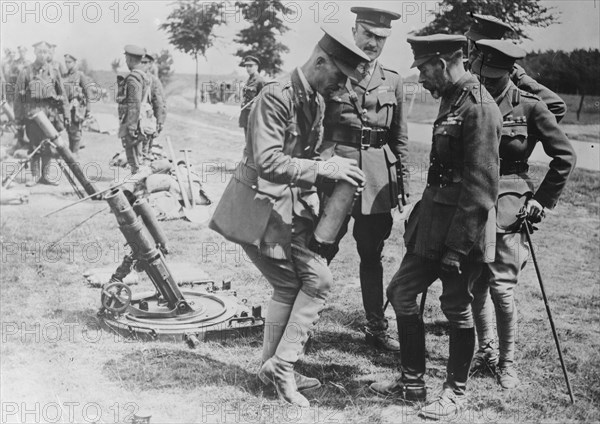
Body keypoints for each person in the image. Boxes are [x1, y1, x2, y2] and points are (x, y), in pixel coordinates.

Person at [209, 28, 369, 407]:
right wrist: (324, 170)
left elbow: (304, 157)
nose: (342, 86)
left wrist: (334, 177)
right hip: (257, 210)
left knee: (289, 286)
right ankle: (283, 367)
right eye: (339, 76)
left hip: (284, 210)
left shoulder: (312, 97)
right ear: (319, 62)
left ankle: (273, 366)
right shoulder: (275, 96)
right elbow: (267, 162)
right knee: (319, 279)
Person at [370, 34, 502, 420]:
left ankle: (454, 392)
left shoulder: (479, 108)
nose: (421, 79)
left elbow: (480, 191)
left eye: (425, 70)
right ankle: (412, 381)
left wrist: (457, 249)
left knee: (457, 308)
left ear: (443, 64)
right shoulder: (453, 96)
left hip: (463, 232)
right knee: (401, 290)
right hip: (433, 224)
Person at [464, 12, 569, 373]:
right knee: (473, 285)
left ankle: (507, 363)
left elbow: (564, 156)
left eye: (496, 77)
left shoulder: (530, 105)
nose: (488, 83)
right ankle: (487, 351)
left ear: (509, 70)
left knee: (502, 287)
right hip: (471, 201)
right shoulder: (470, 96)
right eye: (483, 75)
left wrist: (541, 199)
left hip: (510, 204)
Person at [320, 6, 408, 351]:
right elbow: (317, 126)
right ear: (355, 30)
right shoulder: (333, 72)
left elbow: (399, 138)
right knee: (322, 249)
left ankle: (375, 327)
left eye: (381, 38)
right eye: (369, 34)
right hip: (337, 175)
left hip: (376, 181)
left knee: (372, 254)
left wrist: (402, 186)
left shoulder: (394, 80)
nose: (374, 43)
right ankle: (302, 323)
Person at [465, 13, 567, 122]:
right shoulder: (462, 68)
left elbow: (557, 106)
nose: (472, 50)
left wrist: (518, 131)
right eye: (471, 43)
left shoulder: (512, 74)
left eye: (479, 46)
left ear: (493, 48)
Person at [14, 41, 69, 186]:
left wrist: (66, 115)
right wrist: (18, 118)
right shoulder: (26, 72)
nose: (43, 55)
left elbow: (62, 94)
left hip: (50, 114)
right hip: (32, 114)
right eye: (40, 52)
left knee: (49, 145)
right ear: (35, 53)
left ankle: (46, 176)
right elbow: (18, 98)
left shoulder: (54, 72)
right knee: (34, 144)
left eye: (45, 52)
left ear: (49, 53)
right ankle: (34, 176)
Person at [117, 45, 151, 174]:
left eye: (126, 58)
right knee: (137, 154)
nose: (125, 62)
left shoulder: (133, 78)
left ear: (130, 59)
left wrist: (131, 126)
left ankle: (136, 180)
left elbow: (134, 103)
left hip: (134, 121)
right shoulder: (142, 76)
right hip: (139, 119)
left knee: (133, 155)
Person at [63, 54, 92, 154]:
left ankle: (75, 154)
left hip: (76, 108)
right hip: (67, 107)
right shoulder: (65, 76)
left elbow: (88, 92)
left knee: (75, 132)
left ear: (75, 63)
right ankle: (72, 153)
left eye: (69, 62)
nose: (67, 64)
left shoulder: (79, 75)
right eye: (66, 62)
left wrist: (88, 108)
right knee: (69, 130)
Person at [141, 52, 166, 157]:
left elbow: (159, 103)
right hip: (135, 118)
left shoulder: (153, 81)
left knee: (146, 150)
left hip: (147, 117)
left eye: (145, 63)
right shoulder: (132, 78)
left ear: (150, 65)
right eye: (141, 62)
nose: (143, 65)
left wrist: (160, 122)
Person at [238, 55, 265, 134]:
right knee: (247, 137)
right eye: (246, 66)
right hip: (246, 112)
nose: (248, 68)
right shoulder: (249, 80)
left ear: (256, 67)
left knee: (254, 138)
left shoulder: (260, 80)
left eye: (250, 66)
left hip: (254, 114)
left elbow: (264, 98)